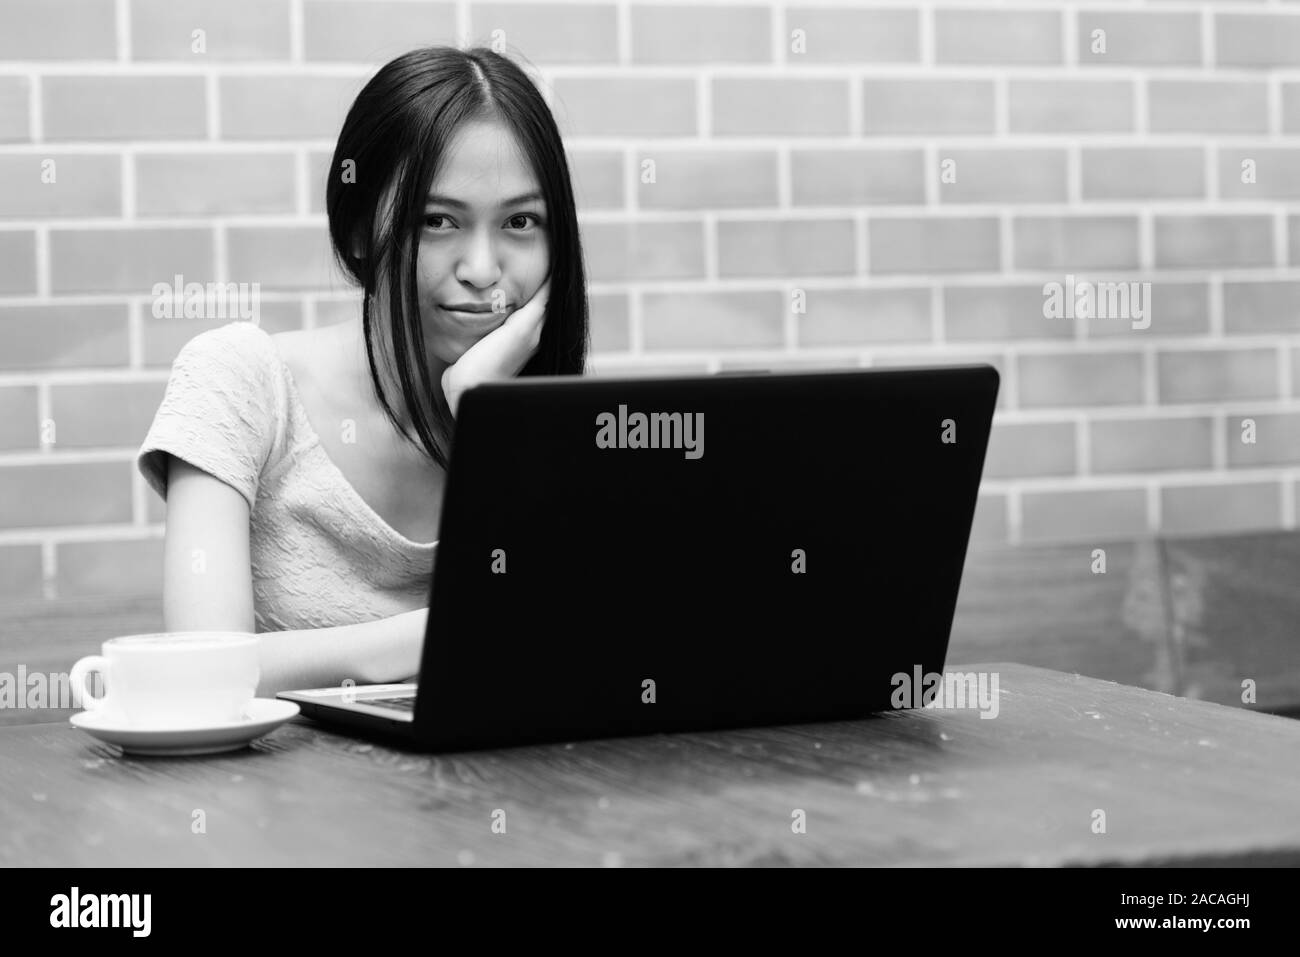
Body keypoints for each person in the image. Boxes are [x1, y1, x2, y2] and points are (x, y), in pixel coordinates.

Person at [136, 46, 590, 696]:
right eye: (438, 221)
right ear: (358, 235)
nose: (484, 270)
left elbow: (577, 654)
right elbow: (200, 670)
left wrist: (489, 423)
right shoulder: (239, 379)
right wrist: (445, 634)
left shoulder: (543, 421)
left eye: (521, 222)